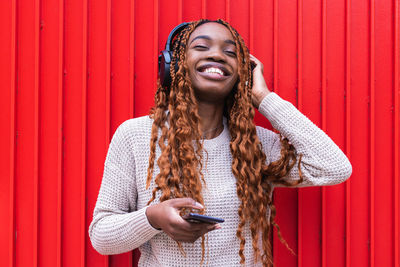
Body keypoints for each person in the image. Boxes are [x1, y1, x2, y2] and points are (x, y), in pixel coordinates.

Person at [88, 19, 352, 267]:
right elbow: (101, 236)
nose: (216, 55)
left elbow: (333, 167)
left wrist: (263, 97)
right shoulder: (136, 135)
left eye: (230, 53)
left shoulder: (255, 144)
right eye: (201, 47)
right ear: (174, 65)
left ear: (243, 73)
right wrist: (152, 218)